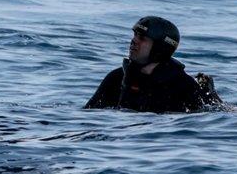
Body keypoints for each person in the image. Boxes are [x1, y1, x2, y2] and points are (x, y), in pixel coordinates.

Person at [85, 16, 217, 113]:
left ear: (160, 48)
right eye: (135, 35)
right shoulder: (117, 77)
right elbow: (90, 113)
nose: (133, 41)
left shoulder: (183, 85)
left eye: (142, 38)